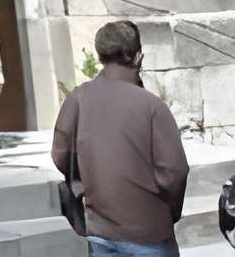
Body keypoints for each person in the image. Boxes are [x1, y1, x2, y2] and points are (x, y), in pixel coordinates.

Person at [54, 18, 190, 257]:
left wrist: (87, 185)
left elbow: (61, 154)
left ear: (100, 56)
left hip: (101, 231)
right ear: (138, 57)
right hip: (149, 232)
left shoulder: (79, 99)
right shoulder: (152, 107)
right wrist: (169, 211)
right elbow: (174, 171)